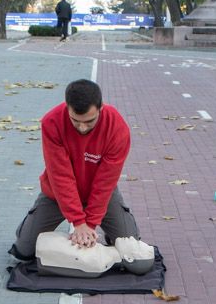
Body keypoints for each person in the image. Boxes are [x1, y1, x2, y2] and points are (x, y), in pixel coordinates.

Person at [10, 79, 140, 260]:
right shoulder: (52, 122)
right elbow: (60, 176)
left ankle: (114, 231)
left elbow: (105, 181)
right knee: (24, 251)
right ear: (67, 107)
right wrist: (78, 222)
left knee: (131, 246)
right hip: (58, 193)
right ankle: (28, 229)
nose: (82, 127)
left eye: (89, 121)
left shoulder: (117, 128)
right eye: (75, 121)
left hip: (100, 192)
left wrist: (91, 224)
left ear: (100, 107)